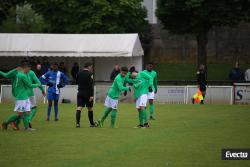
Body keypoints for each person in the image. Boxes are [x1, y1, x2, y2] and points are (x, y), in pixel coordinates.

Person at [0, 65, 45, 130]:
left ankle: (26, 127)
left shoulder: (19, 74)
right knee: (20, 114)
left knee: (27, 112)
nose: (29, 71)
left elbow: (6, 75)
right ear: (25, 68)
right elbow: (29, 85)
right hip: (21, 97)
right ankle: (6, 122)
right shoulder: (21, 75)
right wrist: (38, 84)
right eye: (28, 69)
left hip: (25, 96)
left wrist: (15, 69)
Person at [75, 62, 97, 128]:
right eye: (91, 67)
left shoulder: (79, 73)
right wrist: (91, 95)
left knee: (79, 107)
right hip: (87, 93)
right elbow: (91, 85)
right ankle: (92, 124)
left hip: (80, 92)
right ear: (89, 66)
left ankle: (77, 124)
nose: (91, 68)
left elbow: (77, 82)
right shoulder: (90, 74)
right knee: (90, 108)